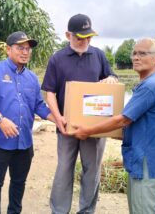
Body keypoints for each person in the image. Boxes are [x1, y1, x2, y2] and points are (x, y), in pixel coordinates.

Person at [67, 38, 155, 214]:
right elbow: (137, 123)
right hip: (145, 157)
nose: (136, 57)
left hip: (146, 160)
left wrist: (88, 131)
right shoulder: (151, 83)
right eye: (135, 53)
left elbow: (122, 120)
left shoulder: (150, 87)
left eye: (143, 53)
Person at [41, 13, 117, 214]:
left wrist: (110, 78)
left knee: (92, 171)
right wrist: (58, 120)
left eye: (89, 37)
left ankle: (86, 210)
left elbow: (111, 77)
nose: (85, 41)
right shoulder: (57, 59)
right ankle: (59, 210)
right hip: (67, 127)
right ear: (68, 35)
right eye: (80, 37)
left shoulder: (99, 55)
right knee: (64, 170)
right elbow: (50, 93)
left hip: (93, 128)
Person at [0, 31, 56, 214]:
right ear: (8, 49)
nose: (25, 52)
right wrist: (0, 119)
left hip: (24, 142)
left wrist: (59, 121)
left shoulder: (32, 78)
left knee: (19, 183)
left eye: (28, 49)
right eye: (20, 47)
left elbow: (39, 106)